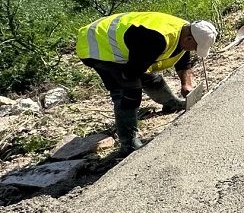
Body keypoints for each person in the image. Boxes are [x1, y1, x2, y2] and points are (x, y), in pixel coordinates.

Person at [76, 12, 218, 154]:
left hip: (126, 41)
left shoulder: (186, 31)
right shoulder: (156, 39)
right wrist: (132, 85)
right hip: (96, 44)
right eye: (195, 47)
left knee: (149, 76)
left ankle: (171, 103)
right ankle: (128, 143)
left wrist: (186, 84)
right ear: (188, 38)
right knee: (127, 91)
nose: (194, 50)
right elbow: (131, 73)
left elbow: (183, 58)